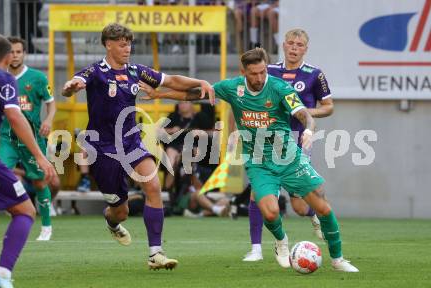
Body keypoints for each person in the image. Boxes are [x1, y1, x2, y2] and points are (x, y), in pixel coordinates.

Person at [139, 47, 359, 272]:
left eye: (263, 72)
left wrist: (309, 131)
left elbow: (303, 114)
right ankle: (281, 242)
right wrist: (160, 94)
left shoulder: (280, 87)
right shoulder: (232, 88)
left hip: (289, 157)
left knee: (321, 207)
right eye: (254, 73)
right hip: (259, 161)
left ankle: (338, 259)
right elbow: (194, 94)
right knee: (270, 211)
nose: (260, 77)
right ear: (243, 72)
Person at [61, 23, 214, 270]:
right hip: (103, 148)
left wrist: (200, 81)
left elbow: (172, 80)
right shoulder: (96, 72)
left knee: (153, 186)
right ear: (108, 45)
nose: (127, 48)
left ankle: (156, 253)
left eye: (129, 43)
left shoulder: (135, 71)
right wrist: (70, 88)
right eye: (122, 44)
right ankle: (111, 222)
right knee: (119, 211)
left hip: (131, 142)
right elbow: (74, 83)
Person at [241, 28, 335, 261]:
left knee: (300, 206)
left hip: (297, 139)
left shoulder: (315, 74)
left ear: (306, 48)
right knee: (257, 192)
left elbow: (328, 106)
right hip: (266, 139)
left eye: (299, 44)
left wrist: (303, 111)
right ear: (283, 45)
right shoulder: (269, 71)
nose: (294, 48)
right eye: (291, 43)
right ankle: (256, 248)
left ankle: (314, 215)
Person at [0, 33, 56, 288]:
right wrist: (41, 156)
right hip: (4, 145)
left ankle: (47, 228)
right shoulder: (3, 79)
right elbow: (15, 117)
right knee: (24, 211)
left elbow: (51, 104)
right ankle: (2, 274)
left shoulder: (37, 78)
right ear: (7, 57)